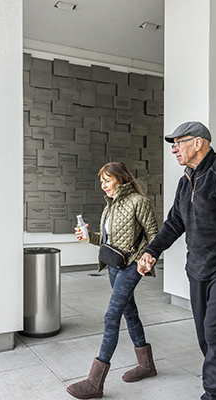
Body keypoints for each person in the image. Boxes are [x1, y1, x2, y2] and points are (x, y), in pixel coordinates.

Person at [138, 121, 216, 400]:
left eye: (178, 143)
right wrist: (151, 251)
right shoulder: (187, 180)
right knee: (206, 338)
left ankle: (215, 395)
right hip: (197, 270)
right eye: (173, 144)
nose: (174, 150)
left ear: (198, 142)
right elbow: (173, 224)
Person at [66, 161, 160, 400]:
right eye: (101, 182)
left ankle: (95, 382)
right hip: (113, 265)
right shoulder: (108, 206)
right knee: (129, 313)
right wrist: (89, 238)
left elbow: (154, 237)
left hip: (132, 267)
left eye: (107, 180)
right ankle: (147, 366)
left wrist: (144, 261)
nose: (103, 186)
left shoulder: (139, 202)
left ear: (121, 178)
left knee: (111, 316)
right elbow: (108, 241)